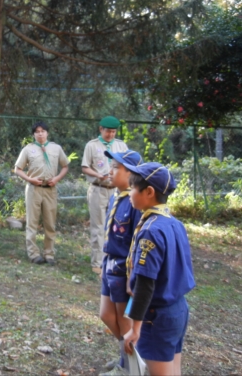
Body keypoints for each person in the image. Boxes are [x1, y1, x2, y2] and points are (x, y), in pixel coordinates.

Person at [119, 162, 195, 376]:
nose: (130, 192)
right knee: (172, 370)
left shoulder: (151, 231)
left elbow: (145, 284)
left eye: (133, 188)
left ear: (149, 192)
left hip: (157, 315)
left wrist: (135, 328)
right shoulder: (174, 223)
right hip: (177, 310)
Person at [99, 150, 143, 375]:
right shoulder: (116, 197)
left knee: (124, 321)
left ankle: (128, 368)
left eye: (116, 167)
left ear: (131, 173)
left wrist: (133, 276)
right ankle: (127, 354)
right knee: (106, 315)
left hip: (124, 270)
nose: (110, 171)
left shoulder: (136, 204)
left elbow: (137, 243)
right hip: (110, 265)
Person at [15, 121, 69, 265]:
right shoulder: (28, 149)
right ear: (34, 134)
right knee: (32, 222)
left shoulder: (56, 148)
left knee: (50, 223)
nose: (40, 133)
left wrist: (56, 179)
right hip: (34, 189)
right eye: (37, 131)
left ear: (47, 133)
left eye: (43, 131)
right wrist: (30, 179)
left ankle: (49, 254)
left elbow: (65, 166)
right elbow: (18, 169)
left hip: (50, 190)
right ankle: (33, 254)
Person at [81, 116, 128, 274]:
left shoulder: (121, 146)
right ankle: (97, 263)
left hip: (117, 191)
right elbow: (85, 167)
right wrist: (98, 175)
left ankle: (115, 260)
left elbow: (128, 167)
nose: (111, 135)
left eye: (113, 132)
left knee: (118, 226)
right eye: (108, 131)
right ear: (101, 129)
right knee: (98, 226)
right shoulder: (92, 145)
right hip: (98, 189)